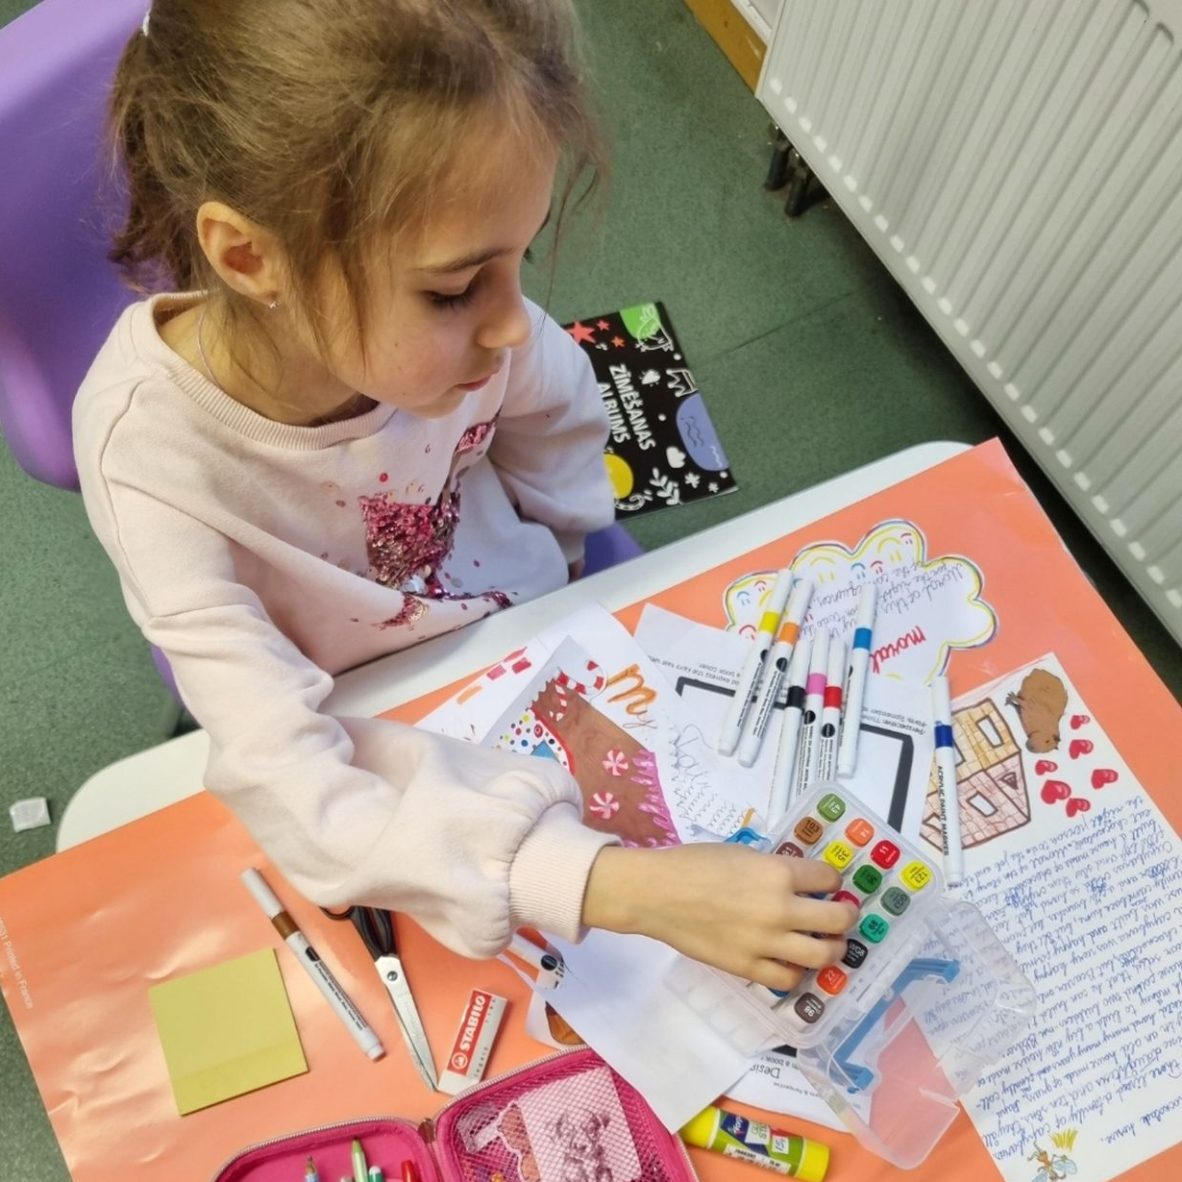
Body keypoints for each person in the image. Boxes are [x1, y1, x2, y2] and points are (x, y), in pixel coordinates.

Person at [74, 0, 855, 990]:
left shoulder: (476, 334)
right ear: (249, 258)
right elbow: (299, 787)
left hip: (524, 641)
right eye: (453, 291)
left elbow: (562, 409)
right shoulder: (149, 455)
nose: (513, 324)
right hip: (365, 718)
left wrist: (570, 551)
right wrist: (625, 889)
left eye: (518, 259)